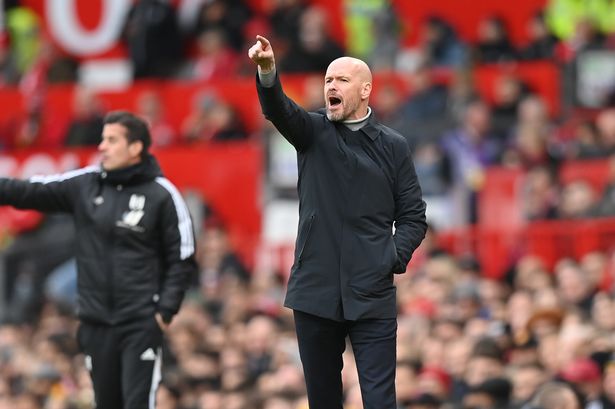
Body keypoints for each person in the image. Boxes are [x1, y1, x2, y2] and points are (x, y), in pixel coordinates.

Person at [248, 35, 428, 408]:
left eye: (341, 80)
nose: (331, 86)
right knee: (323, 400)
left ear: (365, 90)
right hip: (315, 289)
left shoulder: (393, 146)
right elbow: (279, 109)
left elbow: (413, 215)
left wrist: (391, 257)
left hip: (372, 290)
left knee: (380, 400)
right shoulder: (312, 132)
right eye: (328, 80)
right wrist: (267, 70)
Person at [0, 110, 197, 409]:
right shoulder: (85, 184)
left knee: (138, 404)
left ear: (136, 148)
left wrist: (165, 311)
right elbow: (29, 191)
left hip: (140, 322)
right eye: (103, 139)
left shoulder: (162, 194)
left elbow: (182, 256)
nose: (102, 146)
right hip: (95, 321)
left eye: (112, 140)